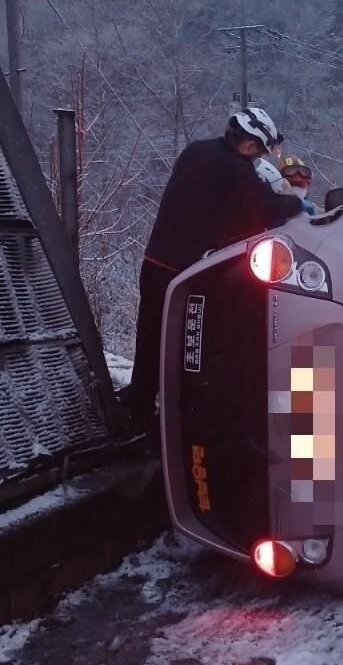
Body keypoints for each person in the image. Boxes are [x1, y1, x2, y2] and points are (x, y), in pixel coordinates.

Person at [120, 107, 303, 431]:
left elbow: (218, 207)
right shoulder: (235, 169)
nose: (258, 159)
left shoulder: (196, 151)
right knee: (185, 350)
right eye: (260, 152)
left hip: (155, 263)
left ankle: (139, 407)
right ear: (249, 145)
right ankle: (170, 423)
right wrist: (300, 205)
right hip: (184, 276)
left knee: (150, 340)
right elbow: (267, 205)